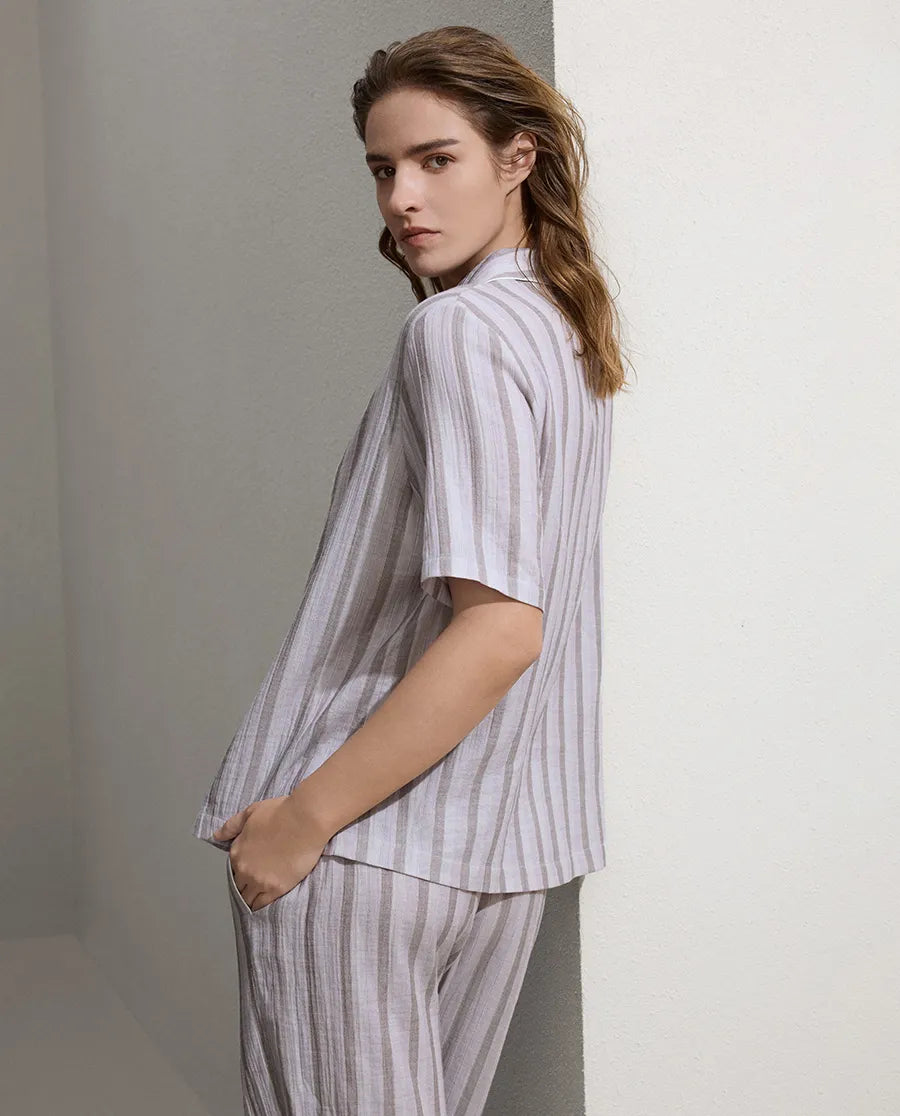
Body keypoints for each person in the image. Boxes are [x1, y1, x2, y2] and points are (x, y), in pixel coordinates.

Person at [192, 24, 628, 1116]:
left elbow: (502, 628)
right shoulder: (565, 330)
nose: (403, 198)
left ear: (518, 157)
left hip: (368, 844)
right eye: (384, 169)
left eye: (438, 160)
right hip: (500, 851)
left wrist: (304, 819)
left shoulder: (460, 332)